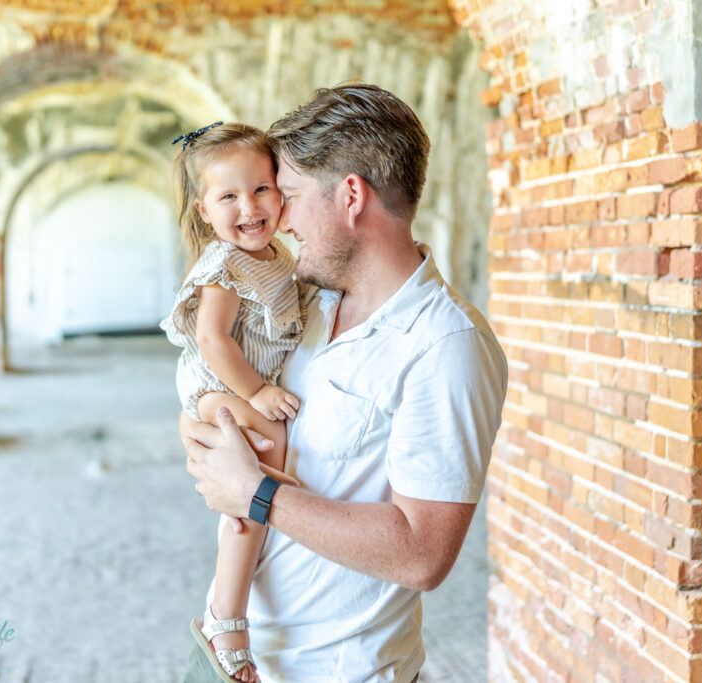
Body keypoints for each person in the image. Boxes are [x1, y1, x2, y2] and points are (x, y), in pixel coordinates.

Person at [182, 84, 508, 683]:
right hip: (249, 657)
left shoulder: (445, 345)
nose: (277, 213)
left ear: (351, 196)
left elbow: (423, 554)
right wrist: (201, 423)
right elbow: (212, 373)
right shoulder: (303, 301)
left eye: (291, 193)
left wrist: (254, 492)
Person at [160, 121, 305, 683]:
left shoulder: (276, 258)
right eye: (228, 197)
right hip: (215, 385)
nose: (249, 207)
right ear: (203, 210)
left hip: (231, 384)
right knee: (266, 460)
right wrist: (258, 391)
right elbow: (213, 340)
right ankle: (227, 615)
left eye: (261, 189)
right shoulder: (224, 264)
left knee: (254, 490)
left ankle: (238, 589)